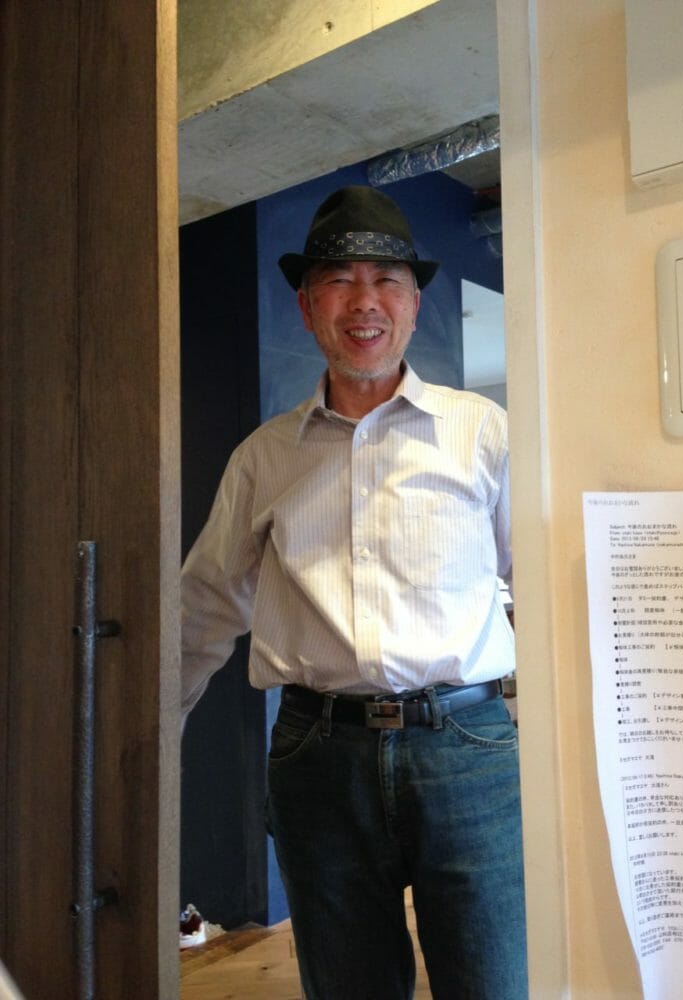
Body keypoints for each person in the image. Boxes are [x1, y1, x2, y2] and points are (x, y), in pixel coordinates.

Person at [181, 185, 527, 1000]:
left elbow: (537, 584)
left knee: (494, 983)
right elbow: (204, 605)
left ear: (414, 304)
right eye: (338, 280)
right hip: (317, 754)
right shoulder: (263, 458)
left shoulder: (483, 431)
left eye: (385, 280)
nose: (364, 301)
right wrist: (149, 742)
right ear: (307, 308)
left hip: (468, 746)